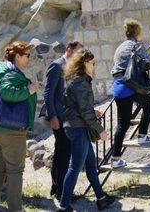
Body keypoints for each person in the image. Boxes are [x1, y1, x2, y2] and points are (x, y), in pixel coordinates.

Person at [58, 49, 116, 212]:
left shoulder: (77, 81)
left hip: (77, 126)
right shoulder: (80, 83)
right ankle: (63, 206)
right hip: (77, 128)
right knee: (75, 167)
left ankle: (101, 199)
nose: (94, 65)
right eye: (92, 63)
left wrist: (92, 111)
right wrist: (100, 130)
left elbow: (78, 107)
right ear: (84, 64)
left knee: (90, 165)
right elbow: (84, 112)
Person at [0, 42, 37, 212]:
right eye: (27, 55)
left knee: (0, 168)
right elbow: (7, 92)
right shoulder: (10, 72)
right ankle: (15, 208)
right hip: (11, 130)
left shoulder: (1, 70)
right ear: (17, 57)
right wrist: (28, 90)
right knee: (15, 170)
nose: (29, 58)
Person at [39, 41, 83, 201]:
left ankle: (57, 188)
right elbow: (48, 93)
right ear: (68, 50)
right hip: (58, 117)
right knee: (64, 153)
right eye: (78, 52)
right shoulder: (56, 65)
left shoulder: (74, 68)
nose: (80, 55)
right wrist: (53, 117)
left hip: (68, 118)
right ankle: (63, 193)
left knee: (61, 153)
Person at [110, 19, 150, 169]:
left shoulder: (119, 47)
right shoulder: (136, 45)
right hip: (132, 85)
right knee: (148, 104)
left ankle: (115, 159)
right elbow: (148, 61)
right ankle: (142, 135)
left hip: (118, 87)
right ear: (137, 32)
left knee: (122, 124)